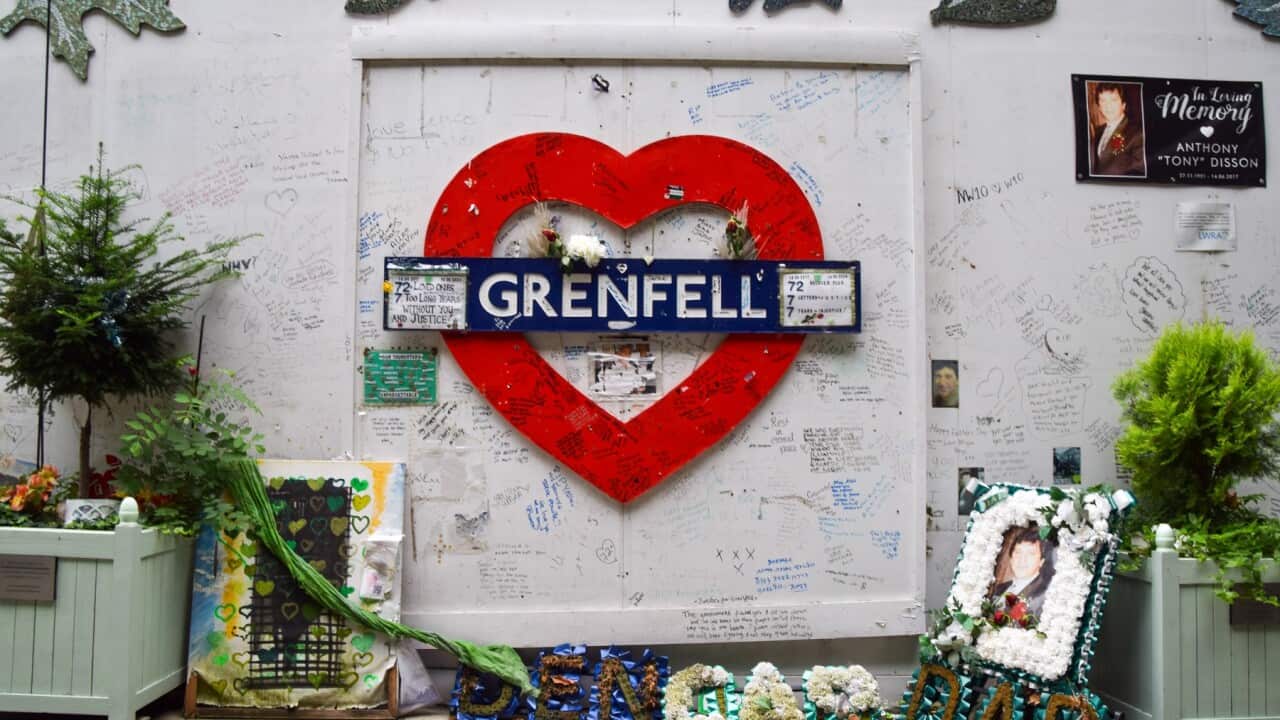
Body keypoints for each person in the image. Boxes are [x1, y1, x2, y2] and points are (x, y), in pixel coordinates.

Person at [988, 526, 1055, 619]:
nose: (1022, 560)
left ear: (1041, 561)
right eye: (1018, 552)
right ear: (1011, 557)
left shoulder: (1045, 595)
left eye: (1031, 554)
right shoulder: (1000, 589)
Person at [1090, 83, 1145, 177]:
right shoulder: (1098, 132)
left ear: (1123, 104)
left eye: (1113, 100)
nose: (1108, 106)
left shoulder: (1138, 133)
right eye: (1103, 101)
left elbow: (1139, 172)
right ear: (1099, 106)